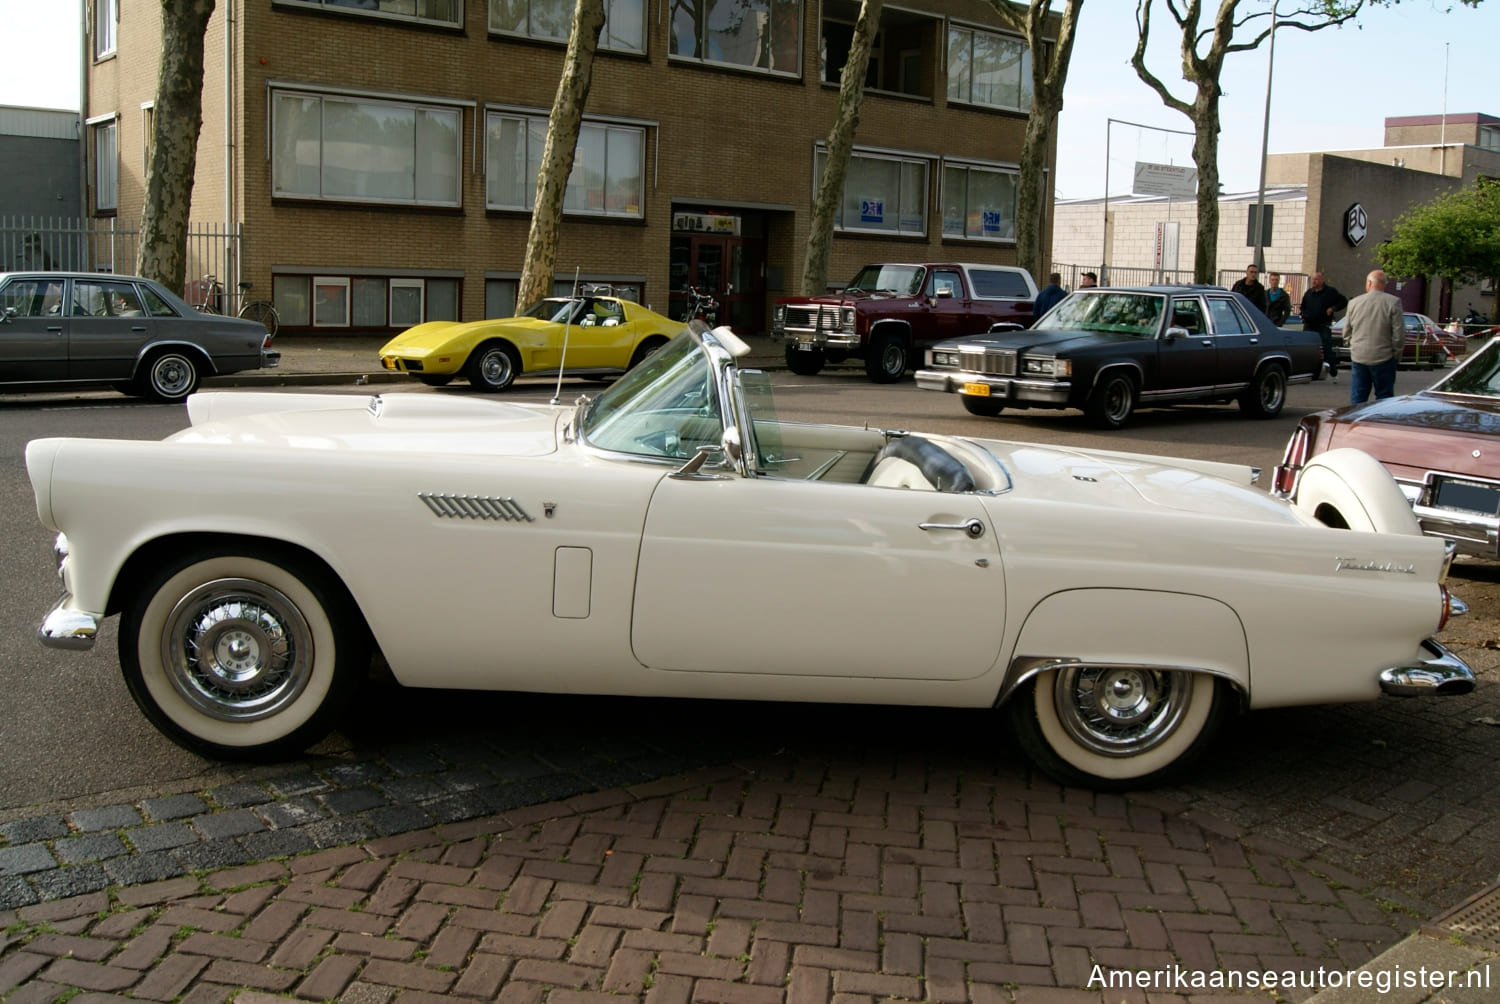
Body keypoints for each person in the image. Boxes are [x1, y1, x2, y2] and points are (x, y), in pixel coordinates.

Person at [1344, 269, 1405, 404]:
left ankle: (1356, 422)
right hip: (1384, 356)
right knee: (1384, 398)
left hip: (1359, 356)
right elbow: (1398, 334)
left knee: (1358, 397)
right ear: (1384, 284)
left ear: (1369, 283)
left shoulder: (1354, 303)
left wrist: (1352, 346)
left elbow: (1346, 331)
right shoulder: (1393, 302)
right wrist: (1396, 354)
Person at [1300, 270, 1348, 381]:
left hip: (1323, 325)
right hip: (1309, 325)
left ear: (1322, 280)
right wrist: (1303, 314)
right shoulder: (1309, 293)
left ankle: (1333, 372)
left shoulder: (1330, 292)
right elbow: (1303, 306)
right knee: (1308, 349)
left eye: (1316, 279)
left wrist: (1333, 309)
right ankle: (1309, 372)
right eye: (1313, 279)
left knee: (1327, 350)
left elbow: (1343, 301)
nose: (1314, 282)